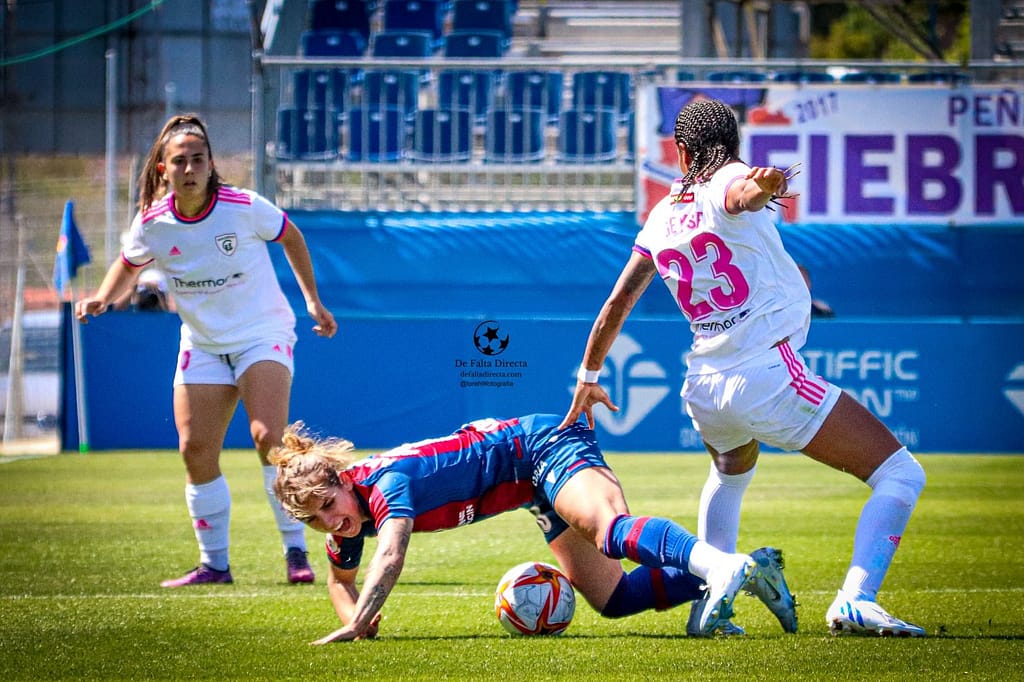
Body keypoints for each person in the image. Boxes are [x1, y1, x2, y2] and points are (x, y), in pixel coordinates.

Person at [561, 98, 926, 637]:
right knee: (901, 474)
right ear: (731, 145)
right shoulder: (730, 178)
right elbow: (743, 193)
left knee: (730, 476)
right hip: (764, 373)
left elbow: (616, 303)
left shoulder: (661, 216)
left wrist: (589, 378)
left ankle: (709, 606)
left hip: (705, 386)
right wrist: (767, 184)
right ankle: (856, 599)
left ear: (682, 152)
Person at [75, 113, 338, 587]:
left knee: (268, 439)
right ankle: (214, 565)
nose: (190, 168)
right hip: (203, 343)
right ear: (164, 169)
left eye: (199, 159)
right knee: (195, 449)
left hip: (262, 333)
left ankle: (296, 551)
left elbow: (291, 236)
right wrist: (102, 297)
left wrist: (312, 301)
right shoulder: (153, 222)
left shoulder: (243, 205)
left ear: (211, 163)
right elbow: (128, 264)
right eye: (180, 161)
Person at [269, 414, 798, 643]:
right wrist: (356, 619)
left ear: (342, 479)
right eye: (314, 519)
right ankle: (751, 569)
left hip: (541, 447)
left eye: (328, 504)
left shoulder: (386, 485)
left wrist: (360, 618)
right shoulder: (345, 521)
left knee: (608, 529)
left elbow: (390, 556)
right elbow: (339, 581)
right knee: (615, 599)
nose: (330, 521)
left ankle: (722, 566)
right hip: (529, 488)